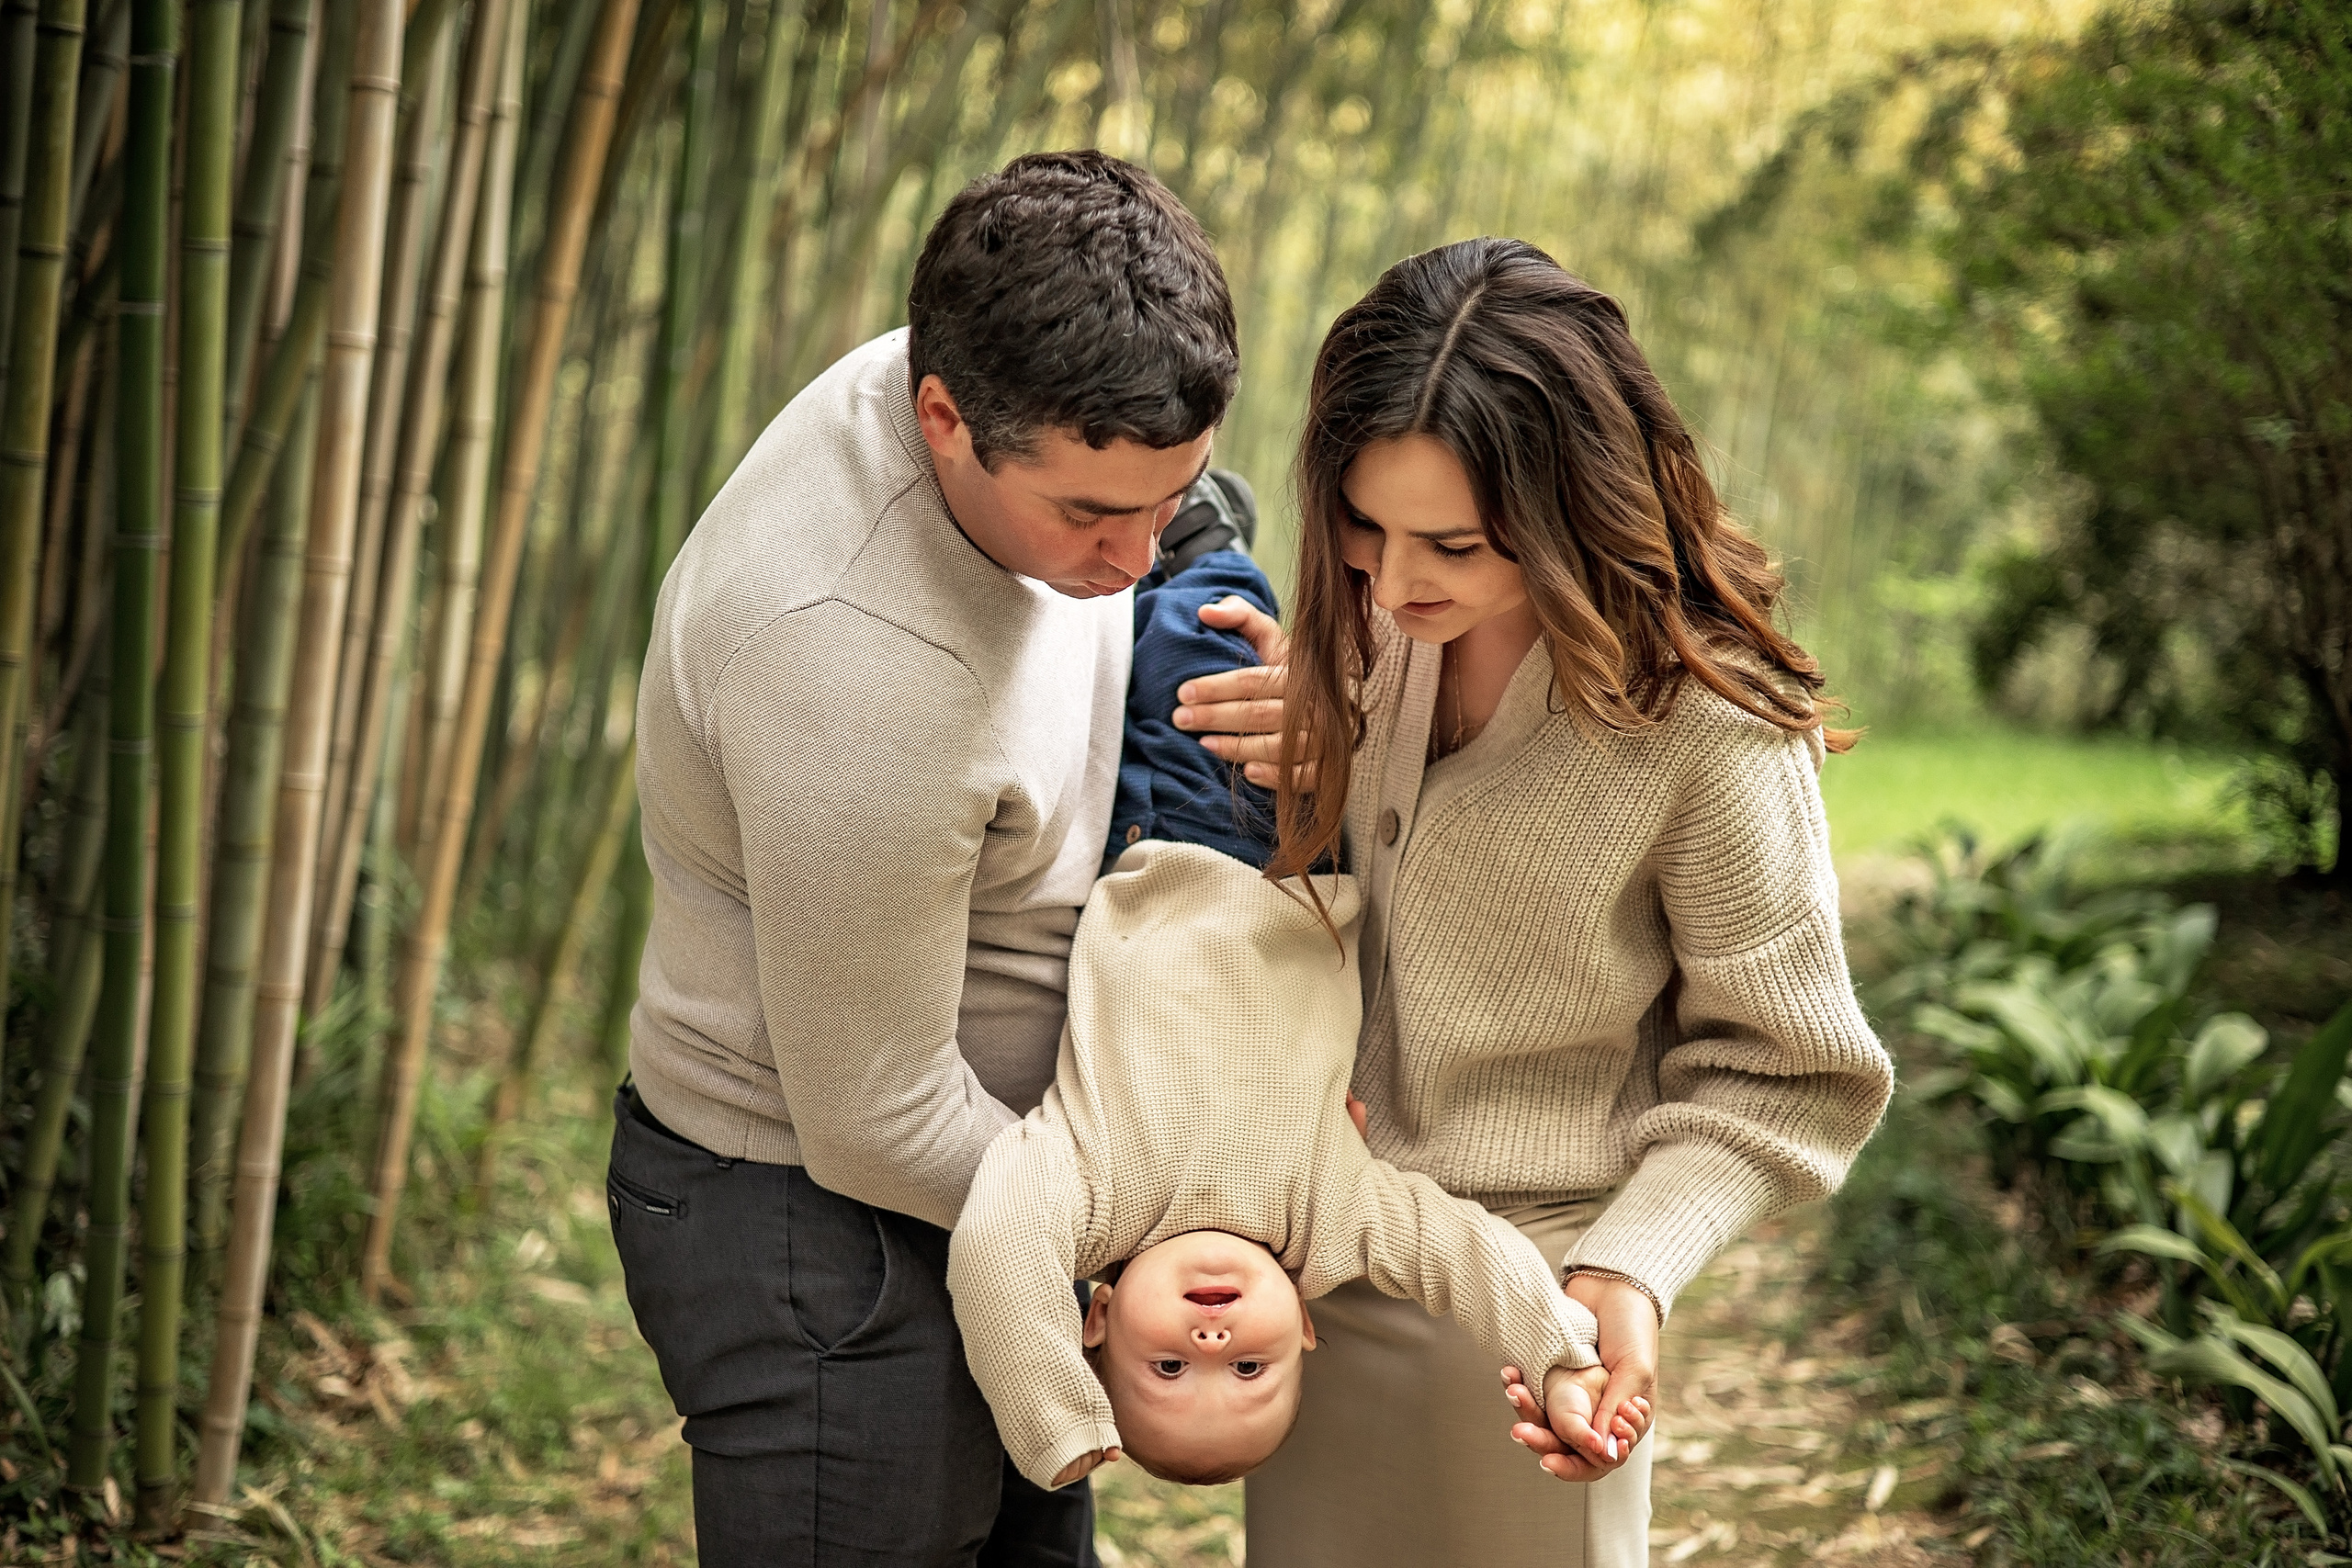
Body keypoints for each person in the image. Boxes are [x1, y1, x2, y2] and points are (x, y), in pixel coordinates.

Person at [605, 151, 1281, 1567]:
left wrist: (1235, 645)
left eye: (1170, 498)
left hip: (1009, 1183)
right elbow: (878, 1109)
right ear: (943, 418)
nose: (1134, 550)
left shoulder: (1015, 373)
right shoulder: (849, 650)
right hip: (826, 1232)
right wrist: (1144, 1235)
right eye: (1093, 517)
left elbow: (1151, 547)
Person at [1217, 237, 1897, 1567]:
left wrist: (1628, 1266)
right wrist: (1323, 741)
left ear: (1574, 501)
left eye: (1452, 543)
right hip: (1323, 1270)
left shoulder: (1706, 726)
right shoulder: (1371, 634)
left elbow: (1791, 1073)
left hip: (1537, 1308)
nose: (1393, 581)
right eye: (1365, 524)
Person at [944, 541, 1645, 1495]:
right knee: (1217, 621)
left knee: (1131, 651)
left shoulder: (1086, 1195)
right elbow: (1470, 1260)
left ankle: (1156, 547)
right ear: (1306, 1329)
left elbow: (993, 1247)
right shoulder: (1334, 1216)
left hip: (1168, 852)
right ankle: (1197, 537)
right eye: (1246, 1368)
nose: (1210, 1337)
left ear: (1097, 1317)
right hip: (1285, 842)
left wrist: (1053, 1419)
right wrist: (1565, 1359)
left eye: (1166, 1367)